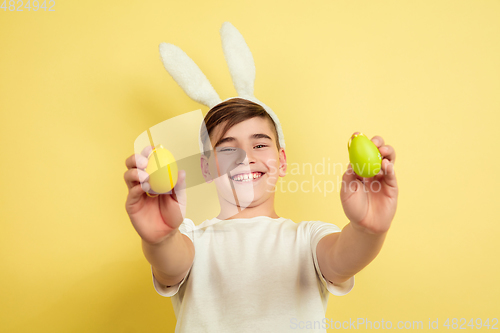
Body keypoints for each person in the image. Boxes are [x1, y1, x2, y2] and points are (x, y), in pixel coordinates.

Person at [123, 97, 398, 332]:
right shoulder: (189, 239)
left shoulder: (309, 237)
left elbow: (342, 259)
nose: (244, 158)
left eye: (259, 145)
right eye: (228, 149)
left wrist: (367, 230)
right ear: (206, 169)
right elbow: (170, 264)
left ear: (282, 161)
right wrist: (161, 238)